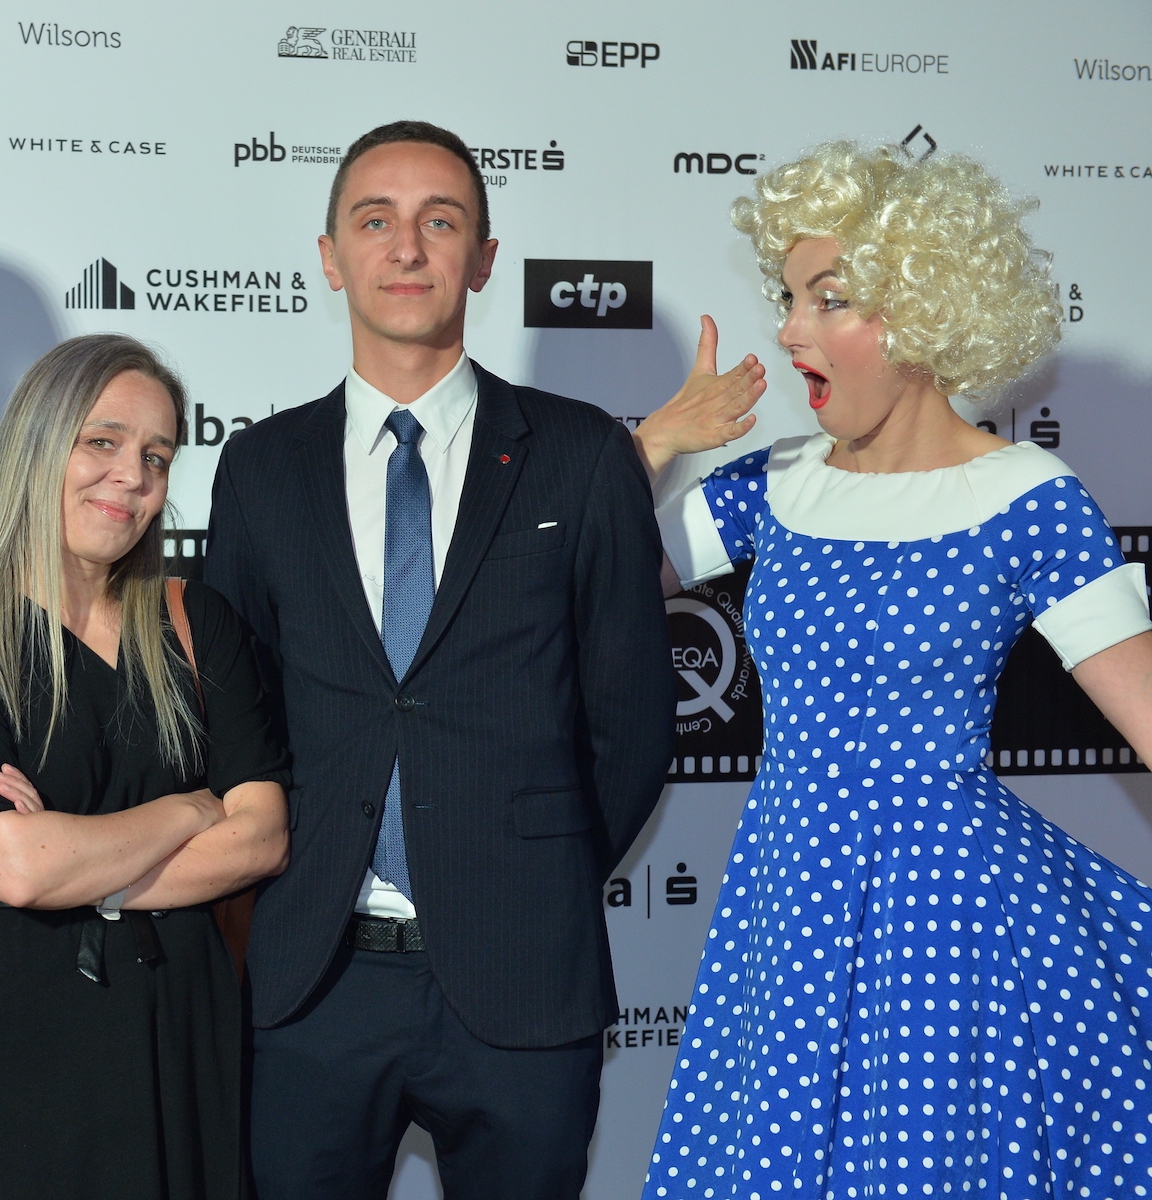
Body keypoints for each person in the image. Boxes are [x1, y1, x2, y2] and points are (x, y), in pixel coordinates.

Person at [635, 142, 1152, 1199]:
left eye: (829, 301)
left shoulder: (1027, 497)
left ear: (921, 315)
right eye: (788, 299)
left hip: (947, 919)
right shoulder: (776, 485)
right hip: (787, 891)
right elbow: (601, 580)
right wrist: (649, 448)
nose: (790, 331)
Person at [203, 120, 703, 1199]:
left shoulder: (580, 455)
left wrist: (532, 872)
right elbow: (236, 716)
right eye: (374, 221)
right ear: (330, 256)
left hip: (526, 976)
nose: (406, 247)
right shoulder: (259, 467)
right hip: (313, 982)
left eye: (440, 221)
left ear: (483, 257)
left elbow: (630, 721)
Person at [0, 333, 290, 1200]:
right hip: (19, 1044)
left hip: (181, 1026)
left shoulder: (196, 622)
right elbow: (15, 866)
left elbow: (263, 837)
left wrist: (79, 859)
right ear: (40, 444)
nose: (132, 478)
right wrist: (192, 810)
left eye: (156, 457)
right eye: (103, 442)